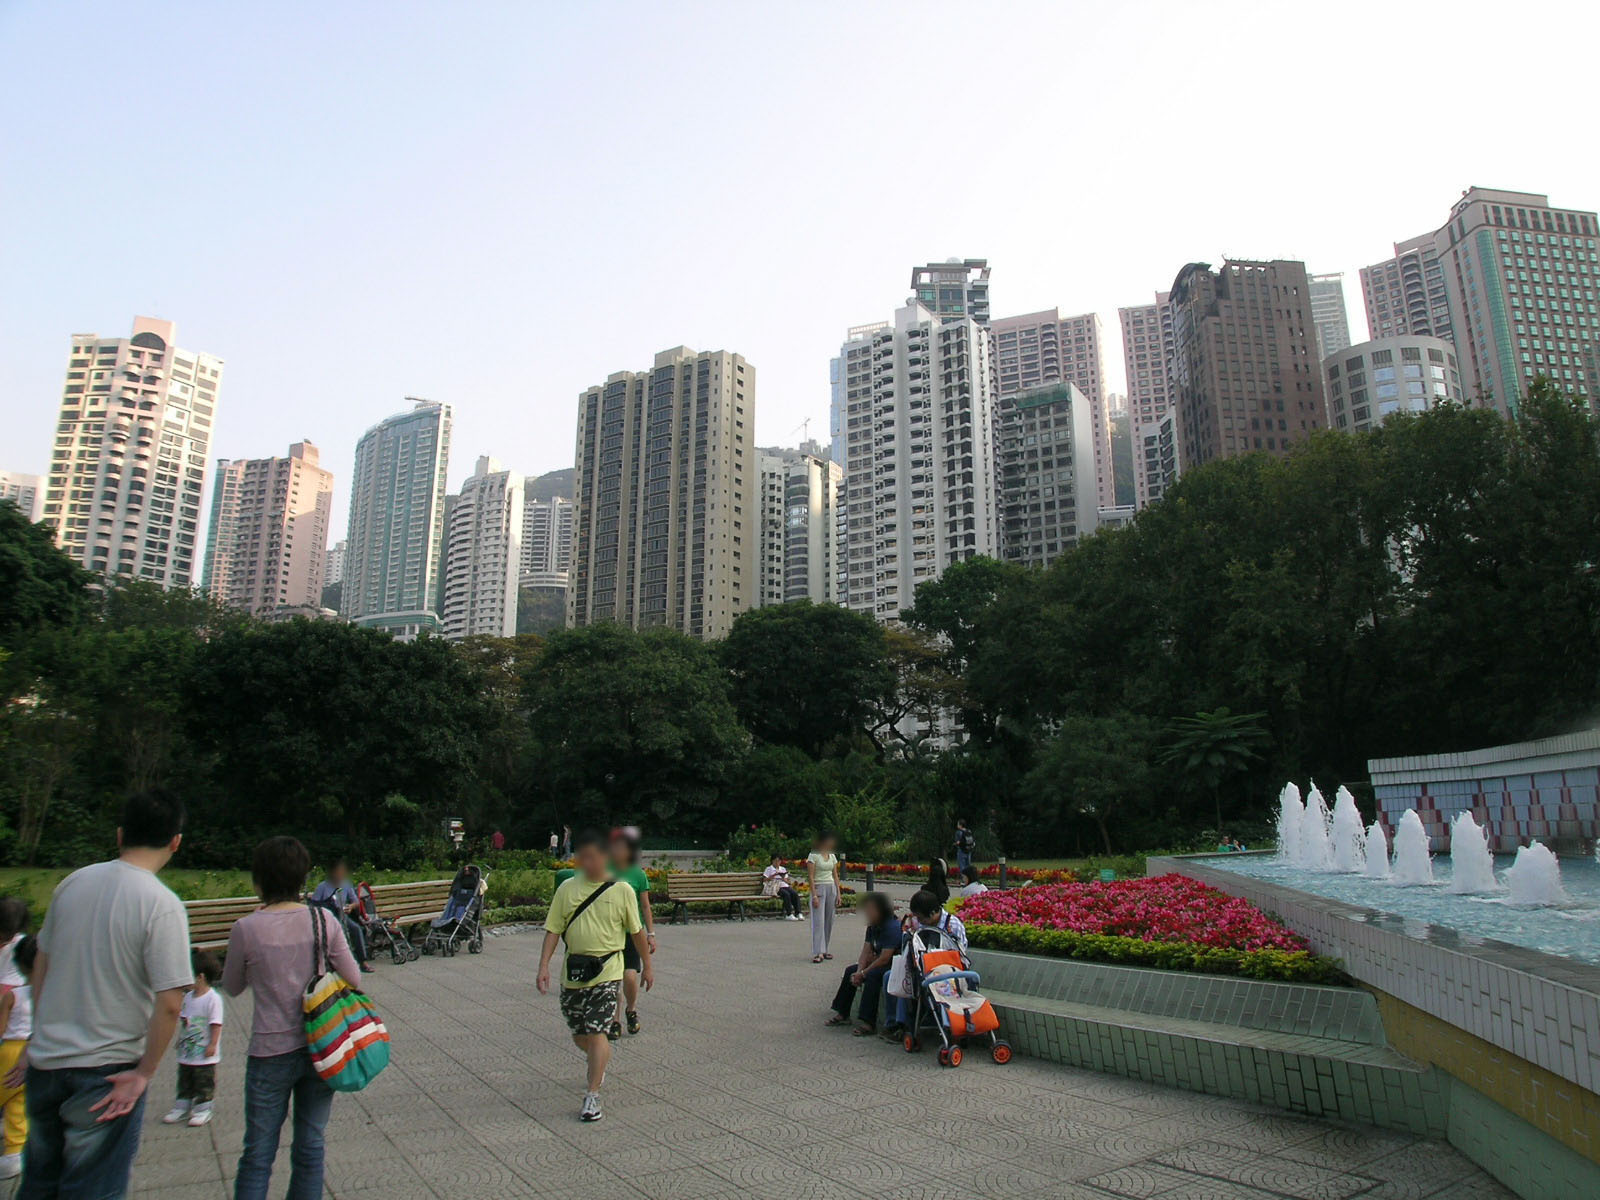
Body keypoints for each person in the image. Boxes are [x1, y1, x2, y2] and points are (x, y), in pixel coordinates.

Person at [13, 788, 192, 1200]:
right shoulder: (161, 904)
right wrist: (145, 1073)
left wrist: (38, 1033)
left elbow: (43, 963)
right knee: (92, 1189)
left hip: (47, 1062)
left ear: (119, 835)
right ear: (175, 841)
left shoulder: (71, 884)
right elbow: (169, 1002)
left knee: (39, 1182)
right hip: (106, 1071)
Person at [224, 835, 361, 1200]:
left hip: (269, 1052)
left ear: (259, 881)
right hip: (320, 1045)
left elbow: (232, 986)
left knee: (257, 1153)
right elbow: (354, 977)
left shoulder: (246, 929)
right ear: (303, 879)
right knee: (311, 1144)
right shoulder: (323, 920)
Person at [537, 829, 652, 1124]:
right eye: (581, 857)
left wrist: (648, 966)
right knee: (580, 1033)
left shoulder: (622, 889)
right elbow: (553, 929)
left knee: (598, 1030)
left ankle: (592, 1094)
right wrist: (543, 966)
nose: (586, 862)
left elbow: (636, 931)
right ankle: (598, 1058)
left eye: (592, 857)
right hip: (574, 972)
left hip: (608, 970)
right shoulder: (567, 889)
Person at [824, 894, 901, 1036]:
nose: (867, 913)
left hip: (892, 966)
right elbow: (865, 952)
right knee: (850, 971)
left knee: (872, 977)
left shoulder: (892, 927)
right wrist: (859, 971)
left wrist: (864, 973)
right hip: (876, 962)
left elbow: (885, 958)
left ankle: (868, 1022)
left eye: (871, 909)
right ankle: (842, 1013)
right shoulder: (872, 927)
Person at [163, 950, 223, 1128]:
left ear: (200, 977)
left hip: (204, 1051)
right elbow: (184, 1021)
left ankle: (203, 1108)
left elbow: (216, 1024)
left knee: (203, 1081)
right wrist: (180, 1040)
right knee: (185, 1078)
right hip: (188, 1049)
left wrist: (213, 1043)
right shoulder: (187, 998)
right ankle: (182, 1105)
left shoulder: (213, 999)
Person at [606, 828, 656, 1041]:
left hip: (632, 933)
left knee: (629, 976)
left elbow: (645, 906)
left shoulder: (637, 874)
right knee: (613, 979)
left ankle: (631, 1009)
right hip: (609, 933)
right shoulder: (604, 870)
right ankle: (615, 1020)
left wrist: (651, 933)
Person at [0, 925, 36, 1181]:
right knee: (19, 1104)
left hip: (11, 1050)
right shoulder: (50, 993)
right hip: (36, 1050)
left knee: (5, 1091)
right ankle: (14, 1153)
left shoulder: (12, 996)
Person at [311, 859, 373, 973]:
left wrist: (350, 907)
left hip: (342, 914)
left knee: (356, 929)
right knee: (338, 933)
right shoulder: (322, 887)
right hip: (327, 918)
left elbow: (356, 902)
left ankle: (363, 961)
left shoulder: (346, 884)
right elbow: (313, 904)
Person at [806, 832, 840, 964]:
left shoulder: (832, 856)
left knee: (829, 919)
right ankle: (818, 951)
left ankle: (825, 948)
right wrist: (814, 894)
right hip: (819, 887)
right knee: (818, 920)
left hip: (830, 886)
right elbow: (811, 876)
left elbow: (835, 874)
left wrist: (838, 892)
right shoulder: (813, 856)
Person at [905, 889, 968, 959]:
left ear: (932, 913)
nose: (918, 921)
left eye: (920, 918)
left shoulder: (953, 925)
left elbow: (961, 955)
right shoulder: (918, 924)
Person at [762, 855, 803, 920]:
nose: (777, 862)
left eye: (779, 861)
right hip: (775, 886)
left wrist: (783, 878)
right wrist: (772, 876)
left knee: (795, 893)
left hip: (784, 885)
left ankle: (798, 913)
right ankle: (789, 914)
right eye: (775, 861)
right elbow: (764, 880)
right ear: (772, 861)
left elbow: (788, 881)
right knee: (786, 894)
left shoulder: (783, 869)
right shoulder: (769, 869)